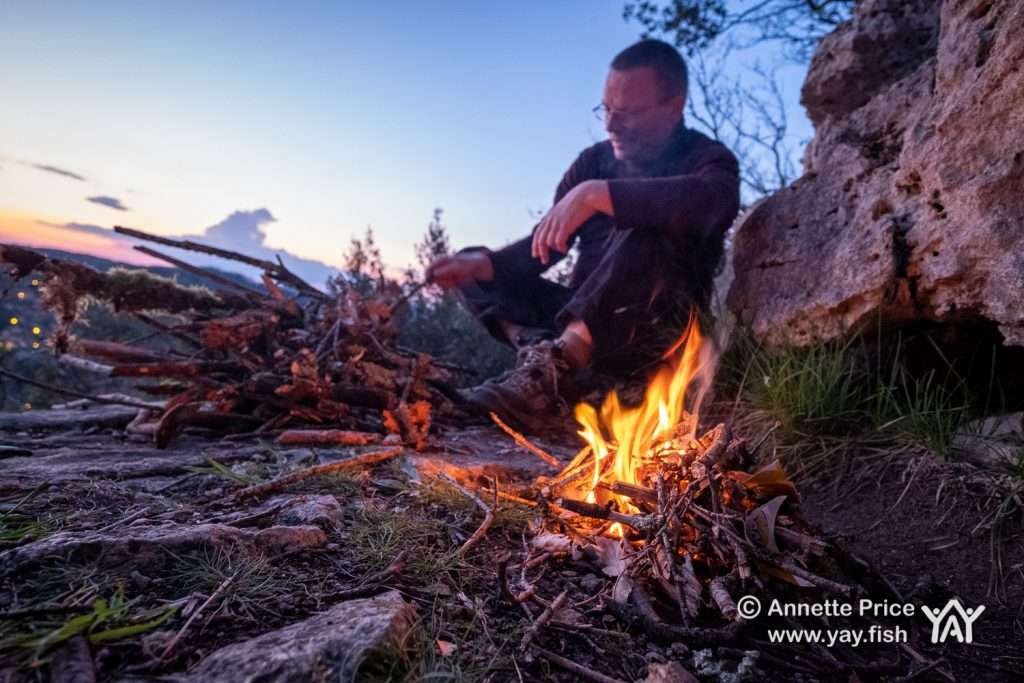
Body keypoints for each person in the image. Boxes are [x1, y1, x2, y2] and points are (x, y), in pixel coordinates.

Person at [426, 39, 740, 432]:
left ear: (673, 107)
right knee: (478, 266)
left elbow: (715, 200)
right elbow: (545, 249)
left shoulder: (708, 160)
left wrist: (598, 195)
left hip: (649, 335)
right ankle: (544, 359)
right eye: (607, 110)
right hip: (574, 323)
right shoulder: (594, 161)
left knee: (646, 228)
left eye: (627, 113)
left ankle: (553, 374)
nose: (611, 125)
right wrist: (485, 266)